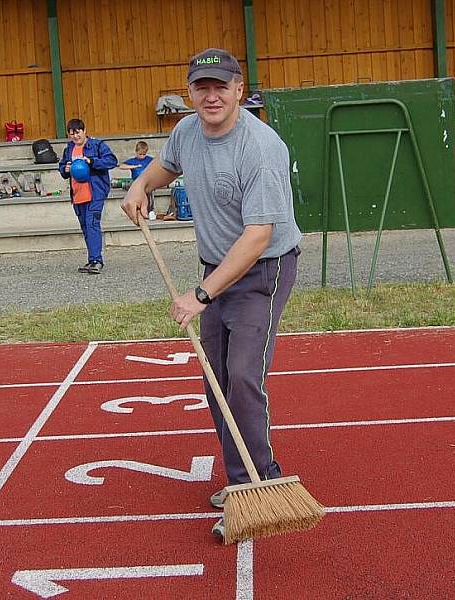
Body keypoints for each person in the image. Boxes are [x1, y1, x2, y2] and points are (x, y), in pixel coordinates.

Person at [121, 48, 302, 540]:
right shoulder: (186, 131)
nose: (212, 95)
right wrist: (142, 186)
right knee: (216, 378)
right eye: (202, 87)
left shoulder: (260, 148)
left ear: (240, 90)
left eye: (221, 86)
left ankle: (257, 480)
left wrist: (199, 294)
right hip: (217, 270)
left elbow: (259, 236)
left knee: (243, 375)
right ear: (191, 93)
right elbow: (166, 165)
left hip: (261, 272)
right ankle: (243, 476)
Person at [58, 118, 118, 274]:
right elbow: (62, 168)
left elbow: (111, 161)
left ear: (84, 131)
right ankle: (92, 259)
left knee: (92, 224)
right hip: (77, 195)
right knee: (85, 226)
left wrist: (91, 161)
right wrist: (65, 168)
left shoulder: (97, 145)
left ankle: (97, 260)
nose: (75, 136)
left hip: (95, 193)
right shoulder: (69, 149)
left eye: (78, 132)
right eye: (72, 134)